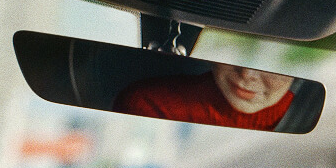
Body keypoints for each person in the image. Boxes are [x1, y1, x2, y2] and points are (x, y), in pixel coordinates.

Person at [113, 63, 299, 131]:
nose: (246, 74)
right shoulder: (150, 104)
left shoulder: (304, 115)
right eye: (235, 49)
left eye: (274, 63)